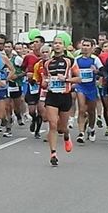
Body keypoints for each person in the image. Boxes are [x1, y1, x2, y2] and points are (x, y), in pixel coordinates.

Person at [42, 37, 81, 166]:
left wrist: (66, 79)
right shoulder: (47, 63)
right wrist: (44, 82)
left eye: (60, 43)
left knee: (62, 127)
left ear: (64, 46)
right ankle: (53, 153)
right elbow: (44, 79)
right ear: (52, 46)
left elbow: (78, 78)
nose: (57, 45)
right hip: (52, 96)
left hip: (65, 96)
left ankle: (66, 135)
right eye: (55, 43)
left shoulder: (70, 61)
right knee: (52, 125)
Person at [75, 39, 103, 143]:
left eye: (87, 45)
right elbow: (73, 72)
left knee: (91, 111)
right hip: (81, 86)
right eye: (84, 45)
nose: (85, 47)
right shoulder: (77, 59)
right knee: (82, 109)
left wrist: (96, 71)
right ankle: (81, 133)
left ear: (92, 47)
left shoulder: (95, 59)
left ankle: (91, 128)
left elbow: (102, 71)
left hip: (91, 87)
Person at [22, 35, 45, 138]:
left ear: (42, 44)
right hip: (32, 85)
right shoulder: (28, 56)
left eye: (36, 42)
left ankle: (37, 131)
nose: (34, 44)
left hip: (42, 86)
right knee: (31, 110)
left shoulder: (46, 57)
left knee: (40, 109)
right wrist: (27, 73)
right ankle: (34, 119)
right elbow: (23, 68)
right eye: (33, 42)